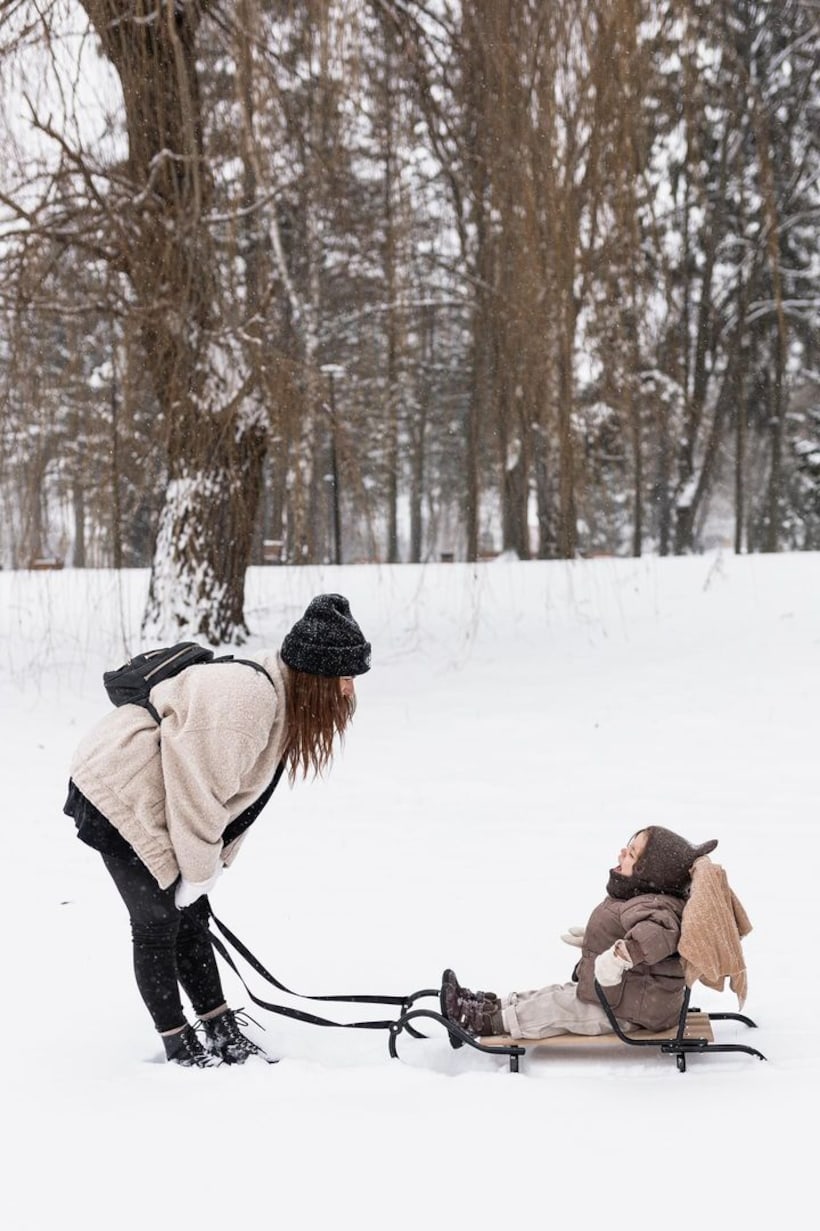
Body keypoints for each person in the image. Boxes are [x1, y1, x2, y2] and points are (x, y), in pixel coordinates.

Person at [64, 594, 371, 1068]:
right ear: (316, 676)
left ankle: (219, 1026)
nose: (350, 691)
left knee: (192, 917)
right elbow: (198, 793)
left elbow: (229, 801)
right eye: (345, 678)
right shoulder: (249, 699)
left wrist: (203, 871)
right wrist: (199, 871)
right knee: (158, 922)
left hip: (159, 791)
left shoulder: (280, 700)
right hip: (117, 787)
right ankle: (177, 1043)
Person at [441, 825, 718, 1041]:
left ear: (651, 874)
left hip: (632, 1011)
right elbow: (632, 926)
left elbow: (655, 937)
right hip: (624, 995)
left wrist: (622, 956)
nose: (622, 853)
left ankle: (480, 1021)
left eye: (632, 854)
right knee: (556, 993)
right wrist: (595, 938)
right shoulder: (645, 897)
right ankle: (489, 1005)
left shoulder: (657, 908)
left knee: (555, 1008)